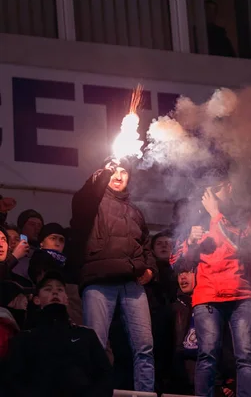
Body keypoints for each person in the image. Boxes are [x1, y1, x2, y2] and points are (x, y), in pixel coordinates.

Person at [71, 157, 156, 392]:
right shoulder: (91, 202)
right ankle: (94, 393)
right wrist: (102, 173)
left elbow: (146, 244)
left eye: (124, 172)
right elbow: (84, 197)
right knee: (95, 344)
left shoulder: (135, 211)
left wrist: (150, 270)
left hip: (132, 282)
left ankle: (145, 395)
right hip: (99, 280)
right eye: (114, 171)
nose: (119, 176)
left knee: (145, 347)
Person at [171, 170, 251, 397]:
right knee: (207, 354)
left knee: (246, 356)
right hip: (208, 296)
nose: (212, 194)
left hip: (241, 294)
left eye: (217, 188)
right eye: (208, 189)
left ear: (228, 188)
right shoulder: (195, 218)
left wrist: (215, 214)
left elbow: (239, 247)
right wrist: (189, 241)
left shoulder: (242, 216)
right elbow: (175, 261)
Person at [1, 271, 112, 396]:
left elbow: (104, 376)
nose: (55, 292)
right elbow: (12, 380)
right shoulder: (25, 339)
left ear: (66, 299)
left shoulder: (86, 335)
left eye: (60, 290)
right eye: (48, 289)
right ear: (37, 300)